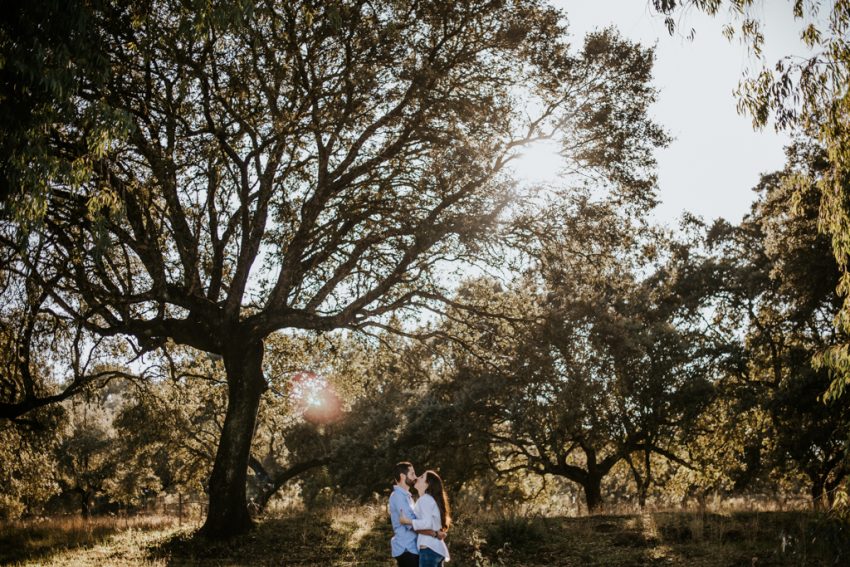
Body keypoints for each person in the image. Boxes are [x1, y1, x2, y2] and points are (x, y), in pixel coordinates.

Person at [400, 470, 451, 566]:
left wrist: (407, 521)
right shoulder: (428, 500)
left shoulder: (425, 499)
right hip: (436, 549)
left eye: (422, 477)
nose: (417, 478)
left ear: (427, 484)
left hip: (429, 549)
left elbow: (427, 523)